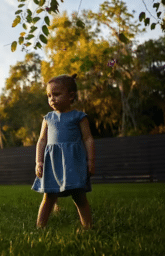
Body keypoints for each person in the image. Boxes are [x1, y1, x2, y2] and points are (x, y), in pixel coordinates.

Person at [31, 74, 95, 230]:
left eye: (56, 94)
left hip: (73, 163)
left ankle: (87, 227)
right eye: (49, 96)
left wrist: (91, 161)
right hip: (52, 164)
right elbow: (41, 141)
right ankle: (40, 228)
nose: (52, 99)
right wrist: (38, 161)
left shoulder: (79, 116)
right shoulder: (48, 118)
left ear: (71, 95)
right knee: (48, 197)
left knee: (79, 196)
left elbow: (88, 139)